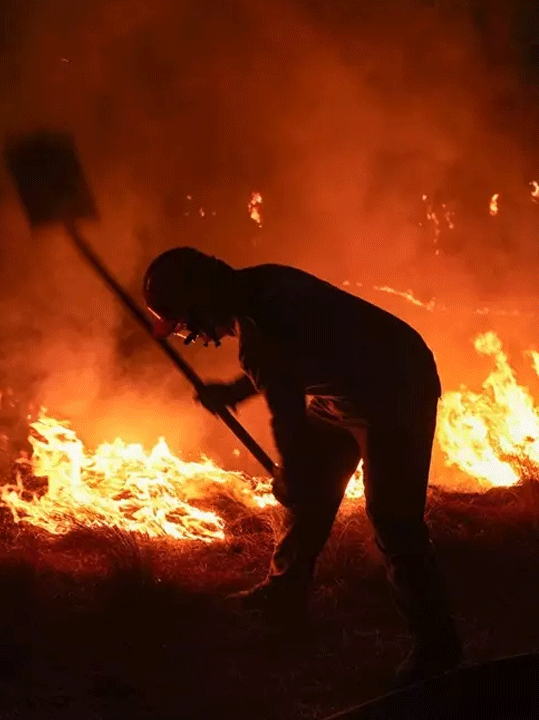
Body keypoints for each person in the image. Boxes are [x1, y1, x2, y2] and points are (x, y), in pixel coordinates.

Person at [142, 246, 463, 685]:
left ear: (202, 303)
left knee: (393, 520)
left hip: (396, 389)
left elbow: (287, 415)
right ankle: (284, 593)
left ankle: (438, 646)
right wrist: (235, 393)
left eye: (185, 325)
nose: (192, 336)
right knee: (314, 492)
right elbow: (283, 362)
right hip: (344, 393)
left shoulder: (259, 331)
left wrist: (292, 476)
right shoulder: (262, 283)